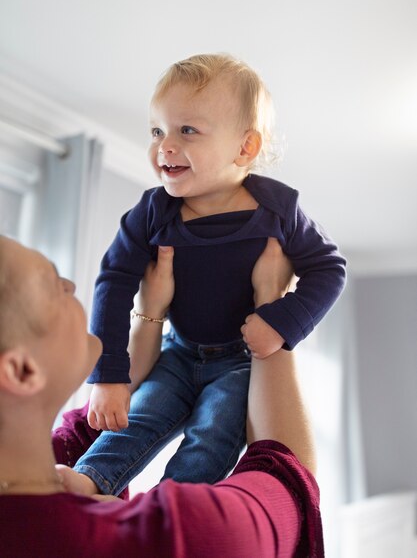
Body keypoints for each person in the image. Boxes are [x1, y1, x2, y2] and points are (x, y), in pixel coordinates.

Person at [60, 53, 346, 495]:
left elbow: (329, 268)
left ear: (244, 147)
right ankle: (91, 480)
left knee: (212, 436)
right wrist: (109, 375)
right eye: (158, 131)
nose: (164, 146)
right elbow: (113, 284)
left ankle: (173, 505)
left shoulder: (278, 210)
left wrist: (282, 321)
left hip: (241, 360)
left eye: (187, 131)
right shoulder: (152, 212)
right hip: (178, 351)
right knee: (140, 414)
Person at [0, 235, 324, 557]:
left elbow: (110, 418)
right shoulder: (180, 535)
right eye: (51, 283)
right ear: (21, 371)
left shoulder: (55, 458)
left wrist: (151, 311)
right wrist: (272, 305)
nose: (69, 285)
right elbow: (289, 481)